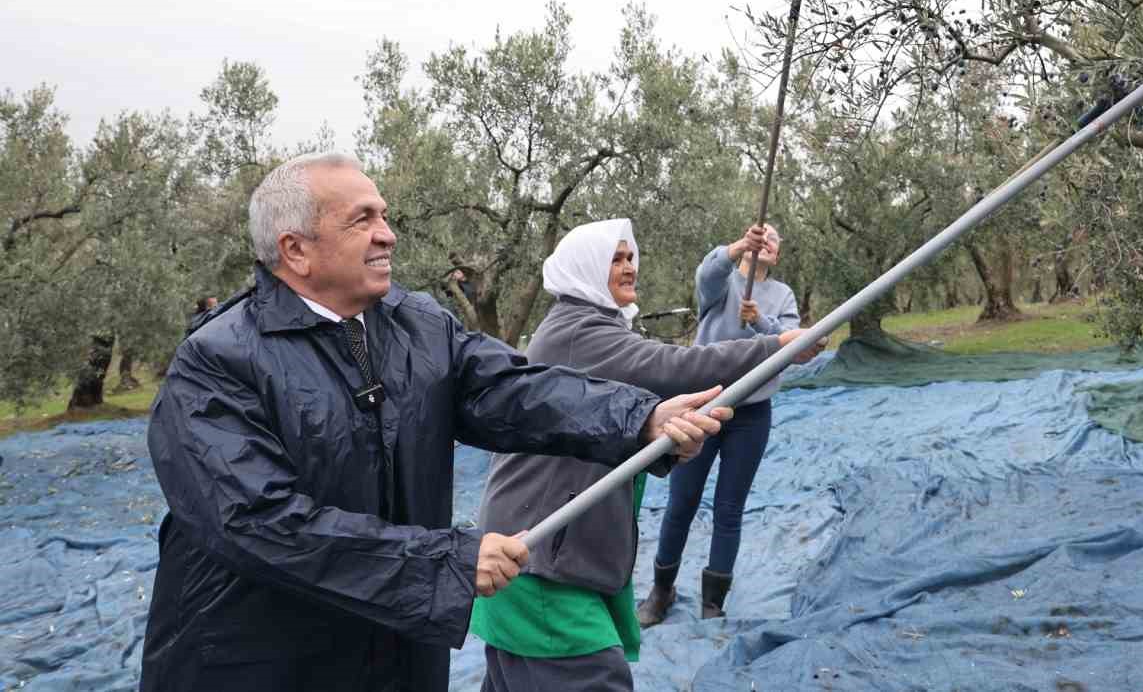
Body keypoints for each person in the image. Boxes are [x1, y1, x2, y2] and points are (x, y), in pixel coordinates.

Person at [140, 154, 728, 692]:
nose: (387, 234)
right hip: (263, 658)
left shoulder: (415, 323)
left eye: (386, 215)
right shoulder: (219, 361)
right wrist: (442, 562)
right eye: (362, 220)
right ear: (296, 250)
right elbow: (260, 523)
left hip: (396, 646)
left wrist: (640, 416)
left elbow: (511, 389)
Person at [470, 218, 823, 691]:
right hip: (542, 561)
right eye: (614, 259)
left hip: (548, 549)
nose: (628, 266)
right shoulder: (577, 331)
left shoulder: (593, 325)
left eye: (630, 256)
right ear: (585, 269)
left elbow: (602, 420)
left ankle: (705, 596)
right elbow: (671, 366)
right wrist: (775, 346)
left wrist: (659, 440)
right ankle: (663, 590)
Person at [638, 222, 800, 627]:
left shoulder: (782, 295)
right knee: (681, 503)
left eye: (772, 242)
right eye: (760, 239)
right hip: (704, 406)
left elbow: (792, 343)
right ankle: (661, 591)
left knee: (730, 508)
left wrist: (761, 320)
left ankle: (713, 601)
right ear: (750, 246)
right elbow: (706, 274)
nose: (766, 244)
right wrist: (736, 246)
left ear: (775, 256)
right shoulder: (723, 284)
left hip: (752, 414)